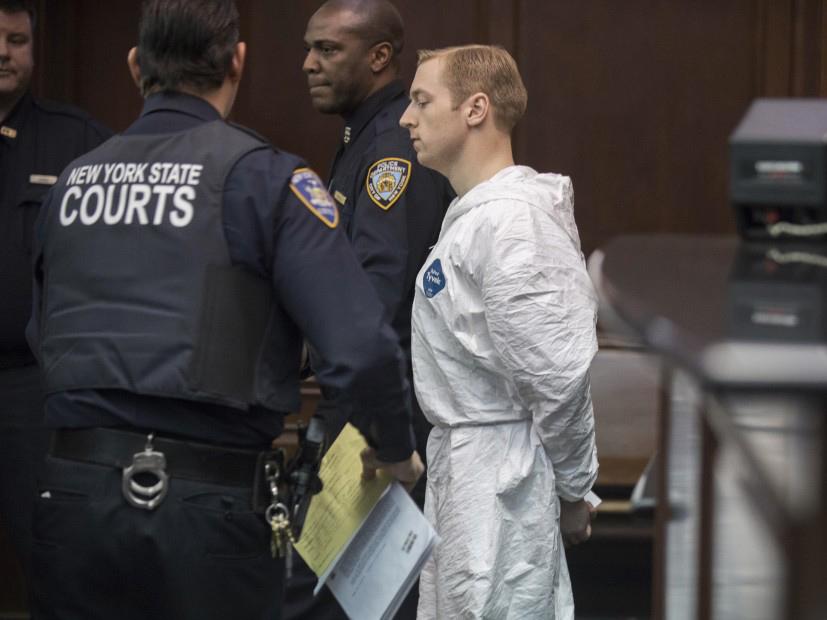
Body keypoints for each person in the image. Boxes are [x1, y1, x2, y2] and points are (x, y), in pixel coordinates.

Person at [25, 1, 422, 619]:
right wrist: (394, 447)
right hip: (207, 503)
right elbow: (362, 348)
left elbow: (40, 330)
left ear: (136, 67)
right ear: (237, 61)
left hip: (72, 494)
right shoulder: (266, 179)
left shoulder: (72, 180)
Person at [399, 45, 600, 619]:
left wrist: (575, 488)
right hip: (469, 470)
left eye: (421, 100)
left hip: (500, 482)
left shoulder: (514, 225)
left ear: (476, 108)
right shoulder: (478, 216)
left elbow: (557, 380)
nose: (405, 118)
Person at [287, 1, 452, 618]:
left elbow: (377, 300)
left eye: (328, 50)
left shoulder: (390, 148)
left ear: (380, 56)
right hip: (367, 410)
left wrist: (366, 427)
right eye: (310, 47)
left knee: (331, 601)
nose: (308, 64)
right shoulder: (364, 137)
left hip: (373, 422)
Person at [0, 0, 111, 597]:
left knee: (53, 557)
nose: (3, 52)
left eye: (17, 40)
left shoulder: (78, 141)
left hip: (31, 389)